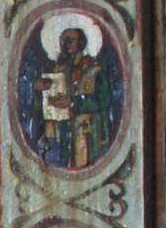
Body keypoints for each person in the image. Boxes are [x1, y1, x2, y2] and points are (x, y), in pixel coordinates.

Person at [29, 24, 117, 169]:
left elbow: (104, 99)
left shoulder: (94, 69)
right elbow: (42, 105)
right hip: (60, 135)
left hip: (87, 134)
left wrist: (73, 102)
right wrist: (39, 90)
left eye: (70, 41)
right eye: (62, 41)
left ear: (80, 43)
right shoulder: (56, 70)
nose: (65, 46)